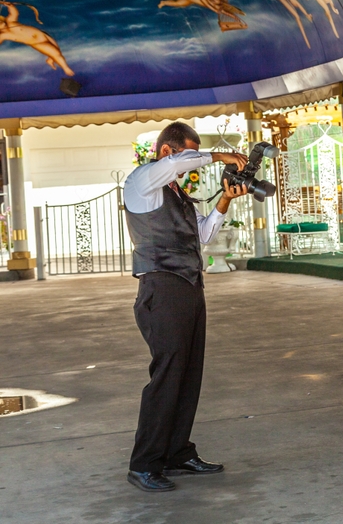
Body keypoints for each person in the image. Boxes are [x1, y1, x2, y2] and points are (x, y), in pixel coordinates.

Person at [123, 122, 249, 492]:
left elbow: (205, 234)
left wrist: (225, 199)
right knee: (167, 375)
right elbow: (181, 165)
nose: (194, 163)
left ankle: (177, 452)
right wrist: (219, 154)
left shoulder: (177, 194)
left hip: (191, 286)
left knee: (189, 373)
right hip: (161, 287)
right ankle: (144, 463)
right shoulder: (142, 181)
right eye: (188, 154)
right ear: (167, 152)